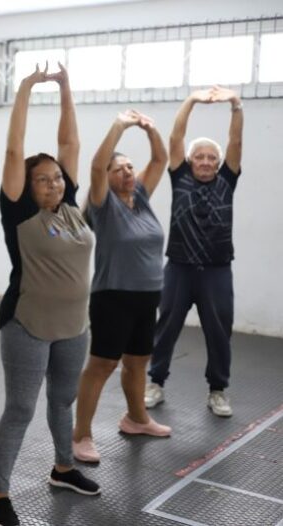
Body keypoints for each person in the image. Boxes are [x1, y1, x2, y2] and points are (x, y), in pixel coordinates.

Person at [0, 63, 99, 526]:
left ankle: (63, 466)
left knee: (63, 401)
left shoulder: (69, 207)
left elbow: (70, 143)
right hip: (28, 325)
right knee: (20, 409)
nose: (53, 183)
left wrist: (67, 85)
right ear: (27, 188)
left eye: (56, 177)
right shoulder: (19, 213)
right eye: (42, 179)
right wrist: (27, 89)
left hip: (75, 327)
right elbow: (14, 149)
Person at [71, 110, 171, 464]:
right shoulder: (104, 205)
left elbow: (161, 158)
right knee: (102, 364)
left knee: (138, 361)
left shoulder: (141, 197)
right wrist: (118, 126)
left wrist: (150, 128)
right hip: (113, 296)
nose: (128, 172)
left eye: (130, 167)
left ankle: (136, 418)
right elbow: (96, 168)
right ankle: (80, 435)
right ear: (109, 179)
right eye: (120, 169)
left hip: (147, 296)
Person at [145, 86, 244, 417]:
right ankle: (155, 382)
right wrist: (192, 101)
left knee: (219, 331)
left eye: (210, 157)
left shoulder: (227, 180)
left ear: (218, 163)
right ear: (189, 161)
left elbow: (236, 143)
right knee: (167, 326)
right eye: (199, 156)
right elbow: (176, 137)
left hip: (217, 269)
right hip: (179, 267)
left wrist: (234, 104)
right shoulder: (181, 177)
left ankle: (217, 390)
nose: (205, 161)